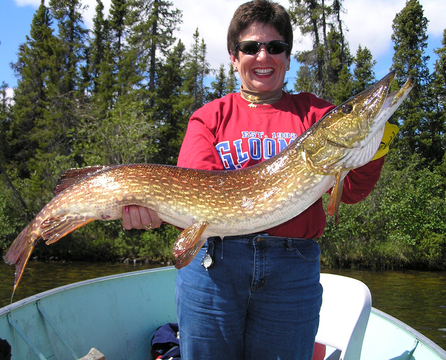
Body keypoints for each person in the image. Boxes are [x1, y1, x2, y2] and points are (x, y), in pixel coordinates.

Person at [122, 1, 387, 359]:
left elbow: (353, 191)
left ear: (288, 58)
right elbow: (193, 195)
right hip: (214, 264)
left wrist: (377, 141)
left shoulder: (317, 115)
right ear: (234, 57)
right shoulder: (209, 117)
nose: (263, 56)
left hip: (291, 271)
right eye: (250, 47)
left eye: (275, 47)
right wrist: (148, 210)